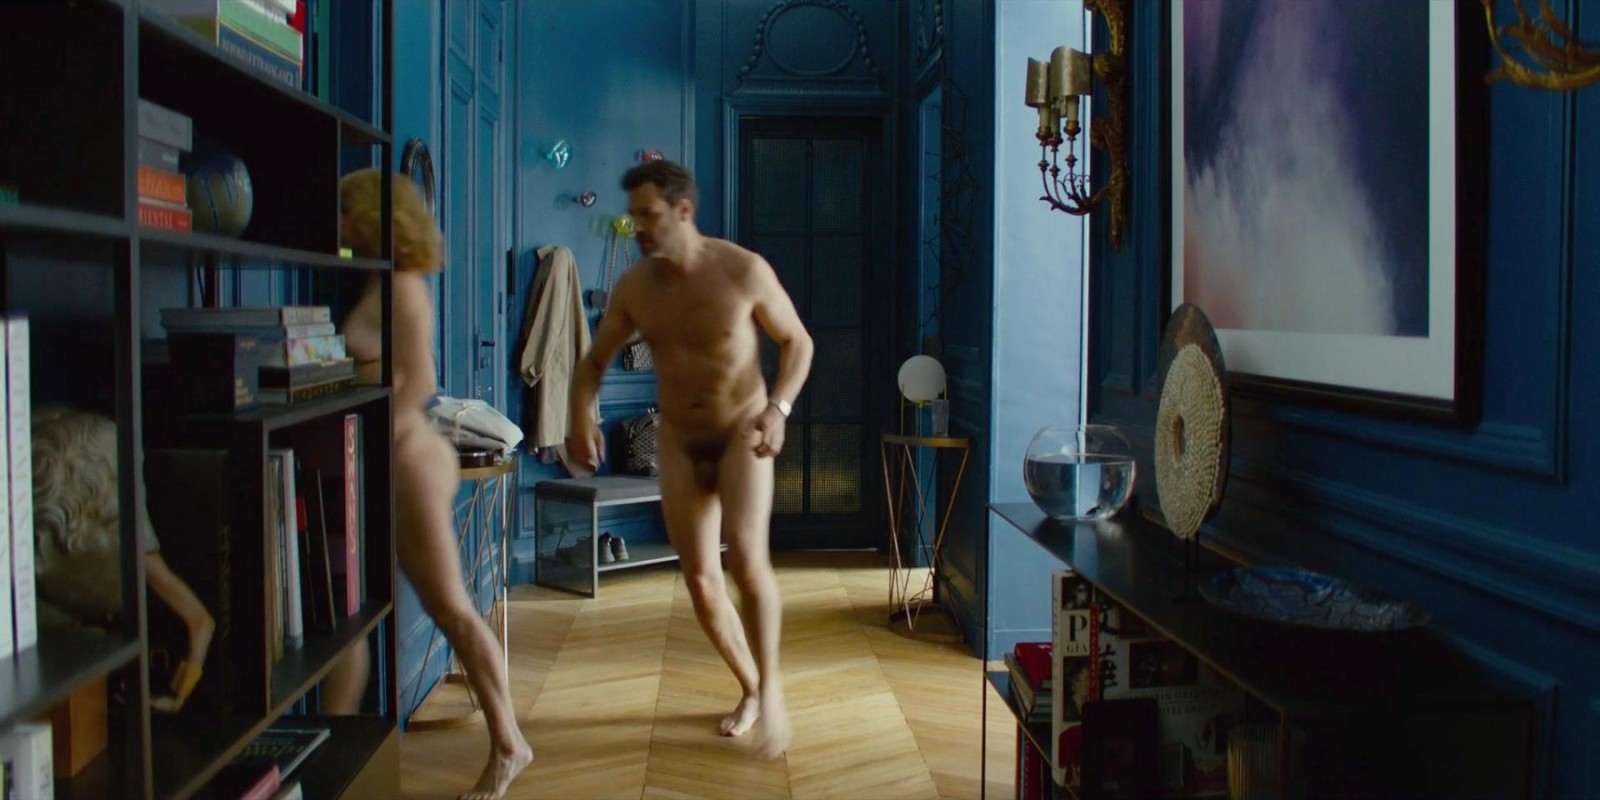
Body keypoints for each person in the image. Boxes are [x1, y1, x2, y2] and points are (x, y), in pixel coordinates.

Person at [566, 160, 814, 760]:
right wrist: (579, 416)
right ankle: (750, 688)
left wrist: (778, 408)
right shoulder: (634, 288)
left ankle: (773, 695)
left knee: (747, 561)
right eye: (633, 217)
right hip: (679, 440)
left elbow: (798, 342)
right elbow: (593, 362)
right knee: (701, 582)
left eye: (648, 215)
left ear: (683, 210)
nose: (638, 228)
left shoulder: (743, 270)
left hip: (741, 433)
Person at [334, 168, 532, 799]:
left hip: (407, 459)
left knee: (451, 609)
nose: (338, 220)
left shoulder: (401, 286)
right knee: (352, 619)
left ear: (373, 216)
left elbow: (419, 381)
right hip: (395, 457)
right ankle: (335, 763)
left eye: (346, 209)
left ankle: (509, 746)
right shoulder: (381, 278)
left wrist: (371, 447)